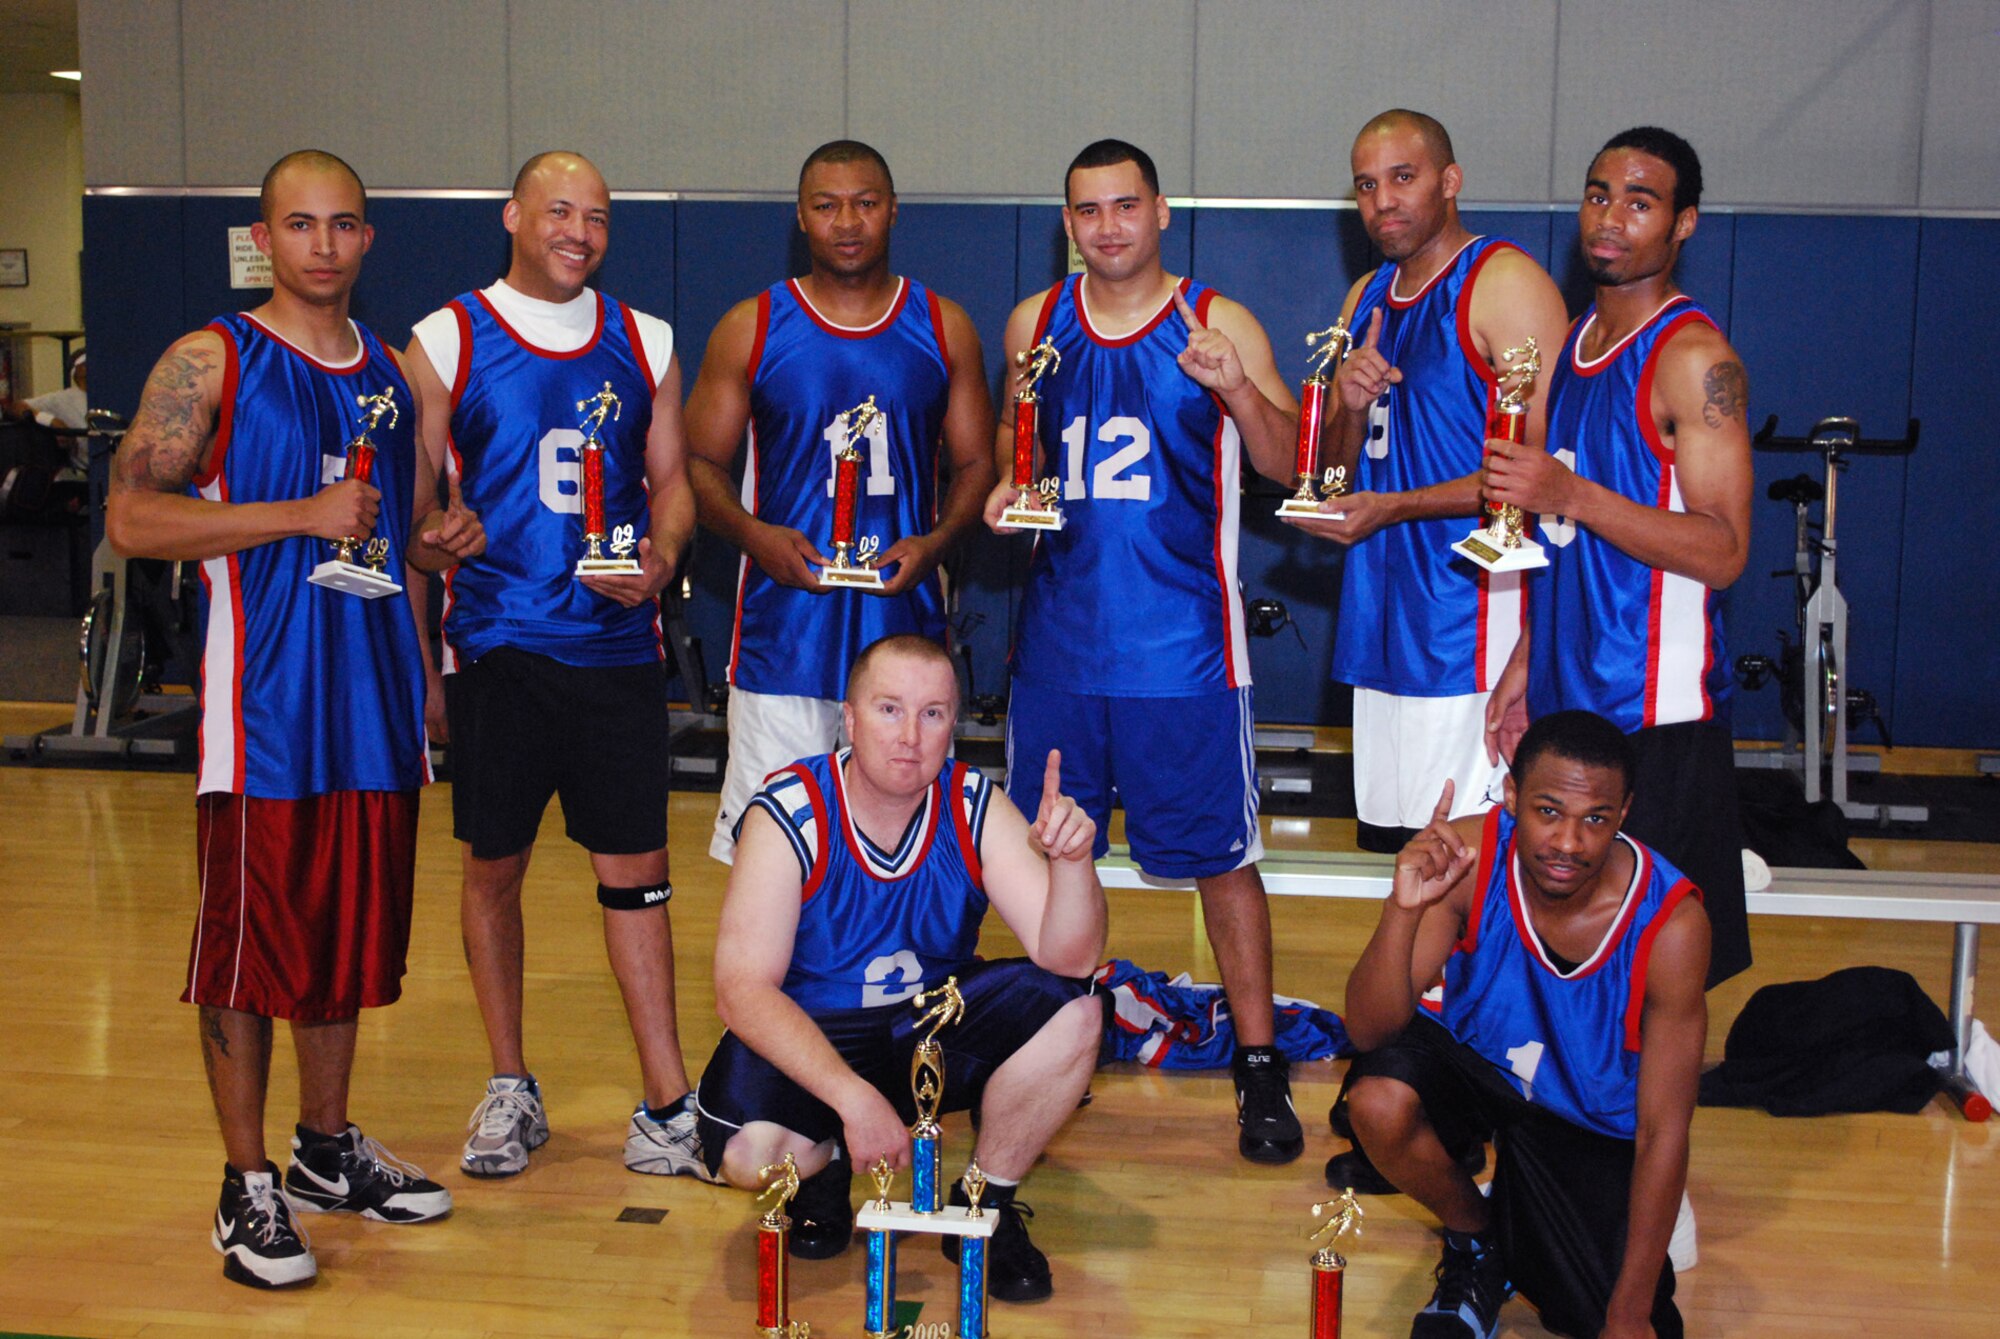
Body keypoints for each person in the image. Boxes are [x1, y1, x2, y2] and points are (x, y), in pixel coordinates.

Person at [104, 150, 483, 1288]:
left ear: (369, 240)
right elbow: (131, 517)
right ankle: (246, 1182)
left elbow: (394, 533)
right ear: (265, 239)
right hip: (260, 709)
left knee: (339, 941)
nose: (323, 244)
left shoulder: (398, 374)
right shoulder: (211, 357)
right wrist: (292, 514)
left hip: (371, 705)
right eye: (300, 226)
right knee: (248, 946)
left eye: (344, 226)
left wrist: (433, 552)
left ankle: (324, 1150)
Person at [981, 139, 1307, 1164]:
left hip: (1184, 656)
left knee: (1223, 864)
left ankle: (1257, 1066)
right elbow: (1013, 440)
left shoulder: (1217, 323)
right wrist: (1004, 488)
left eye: (1125, 206)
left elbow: (1287, 464)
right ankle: (1053, 1040)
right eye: (1087, 210)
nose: (1107, 227)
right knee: (1047, 861)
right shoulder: (1035, 323)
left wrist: (1237, 390)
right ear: (1065, 220)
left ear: (1160, 212)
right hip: (1059, 653)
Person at [403, 150, 706, 1180]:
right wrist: (428, 561)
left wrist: (661, 558)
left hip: (617, 651)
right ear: (513, 216)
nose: (578, 230)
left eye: (596, 215)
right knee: (493, 870)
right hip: (495, 649)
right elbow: (406, 517)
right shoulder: (446, 336)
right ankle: (509, 1084)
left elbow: (672, 483)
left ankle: (667, 1100)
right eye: (559, 210)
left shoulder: (645, 338)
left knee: (638, 877)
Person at [698, 634, 1106, 1304]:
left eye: (933, 713)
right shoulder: (790, 809)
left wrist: (1073, 862)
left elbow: (1070, 958)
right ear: (850, 720)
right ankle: (824, 1166)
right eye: (889, 710)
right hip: (815, 1035)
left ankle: (986, 1202)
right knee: (750, 1154)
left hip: (928, 1028)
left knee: (1079, 1008)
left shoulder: (973, 802)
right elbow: (741, 990)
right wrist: (852, 1100)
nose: (911, 736)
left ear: (955, 724)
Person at [1483, 126, 1753, 987]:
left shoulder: (1694, 359)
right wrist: (1526, 661)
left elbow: (1725, 550)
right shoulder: (1571, 343)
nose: (1612, 217)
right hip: (1570, 703)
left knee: (1660, 971)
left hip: (1658, 720)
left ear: (1684, 225)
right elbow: (1564, 540)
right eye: (1600, 194)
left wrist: (1574, 498)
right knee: (1569, 954)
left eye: (1641, 202)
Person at [1343, 710, 1708, 1339]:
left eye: (1595, 819)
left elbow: (1663, 1131)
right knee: (1377, 1103)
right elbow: (1369, 1031)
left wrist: (1628, 1312)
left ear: (1624, 813)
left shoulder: (1672, 926)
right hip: (1478, 1067)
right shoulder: (1470, 855)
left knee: (1601, 1318)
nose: (1568, 842)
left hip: (1585, 1119)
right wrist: (1404, 910)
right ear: (1511, 796)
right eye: (1547, 811)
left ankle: (1522, 1216)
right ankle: (1474, 1238)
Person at [685, 139, 995, 864]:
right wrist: (755, 536)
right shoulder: (751, 327)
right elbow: (698, 466)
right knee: (772, 856)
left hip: (903, 638)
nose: (846, 221)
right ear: (801, 217)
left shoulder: (942, 325)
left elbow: (978, 463)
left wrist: (937, 543)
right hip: (783, 639)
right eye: (826, 206)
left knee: (904, 851)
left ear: (893, 210)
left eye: (864, 203)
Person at [1282, 110, 1570, 855]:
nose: (1383, 201)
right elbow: (1337, 474)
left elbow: (1545, 473)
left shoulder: (1503, 280)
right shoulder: (1365, 298)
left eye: (1403, 178)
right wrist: (1345, 404)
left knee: (1472, 861)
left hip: (1472, 624)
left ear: (1450, 181)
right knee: (1397, 856)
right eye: (1367, 185)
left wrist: (1396, 507)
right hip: (1381, 620)